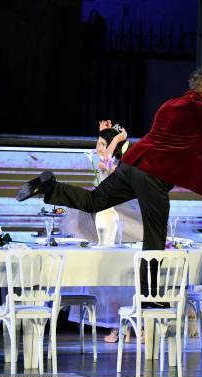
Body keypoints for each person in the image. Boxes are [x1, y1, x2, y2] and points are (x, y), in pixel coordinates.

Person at [16, 67, 202, 303]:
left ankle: (50, 187)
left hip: (132, 165)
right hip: (153, 177)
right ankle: (152, 297)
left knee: (93, 201)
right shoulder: (198, 109)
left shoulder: (170, 104)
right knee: (154, 238)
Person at [61, 120, 144, 342]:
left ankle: (130, 325)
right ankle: (117, 325)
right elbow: (102, 159)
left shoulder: (117, 164)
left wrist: (115, 138)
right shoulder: (105, 161)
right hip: (103, 218)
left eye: (101, 144)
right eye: (97, 143)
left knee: (123, 273)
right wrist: (106, 136)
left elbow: (107, 161)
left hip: (119, 217)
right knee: (107, 277)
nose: (98, 148)